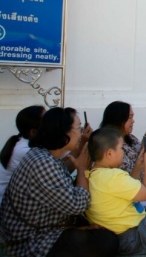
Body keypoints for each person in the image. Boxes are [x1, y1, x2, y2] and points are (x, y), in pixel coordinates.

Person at [0, 107, 119, 257]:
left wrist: (81, 153)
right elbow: (78, 205)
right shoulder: (42, 163)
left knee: (101, 227)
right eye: (79, 128)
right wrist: (82, 169)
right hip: (28, 240)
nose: (82, 131)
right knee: (107, 241)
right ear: (64, 133)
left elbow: (60, 176)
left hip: (46, 225)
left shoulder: (43, 154)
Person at [0, 105, 45, 203]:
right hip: (6, 206)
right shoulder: (25, 151)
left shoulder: (22, 142)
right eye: (47, 121)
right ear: (33, 132)